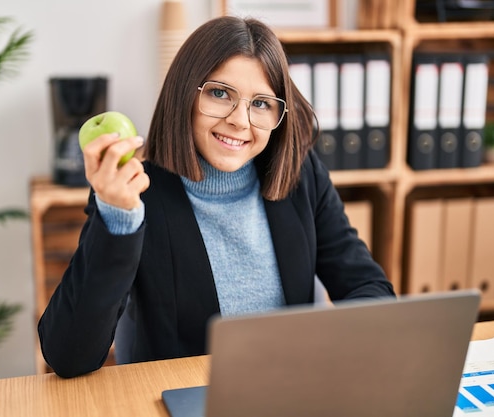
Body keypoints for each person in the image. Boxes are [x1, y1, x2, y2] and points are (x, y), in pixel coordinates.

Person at [38, 15, 395, 378]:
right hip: (184, 398)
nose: (240, 120)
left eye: (261, 103)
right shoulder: (134, 190)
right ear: (185, 96)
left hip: (291, 389)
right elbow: (68, 355)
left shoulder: (301, 175)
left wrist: (331, 349)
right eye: (220, 93)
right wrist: (118, 216)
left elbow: (369, 289)